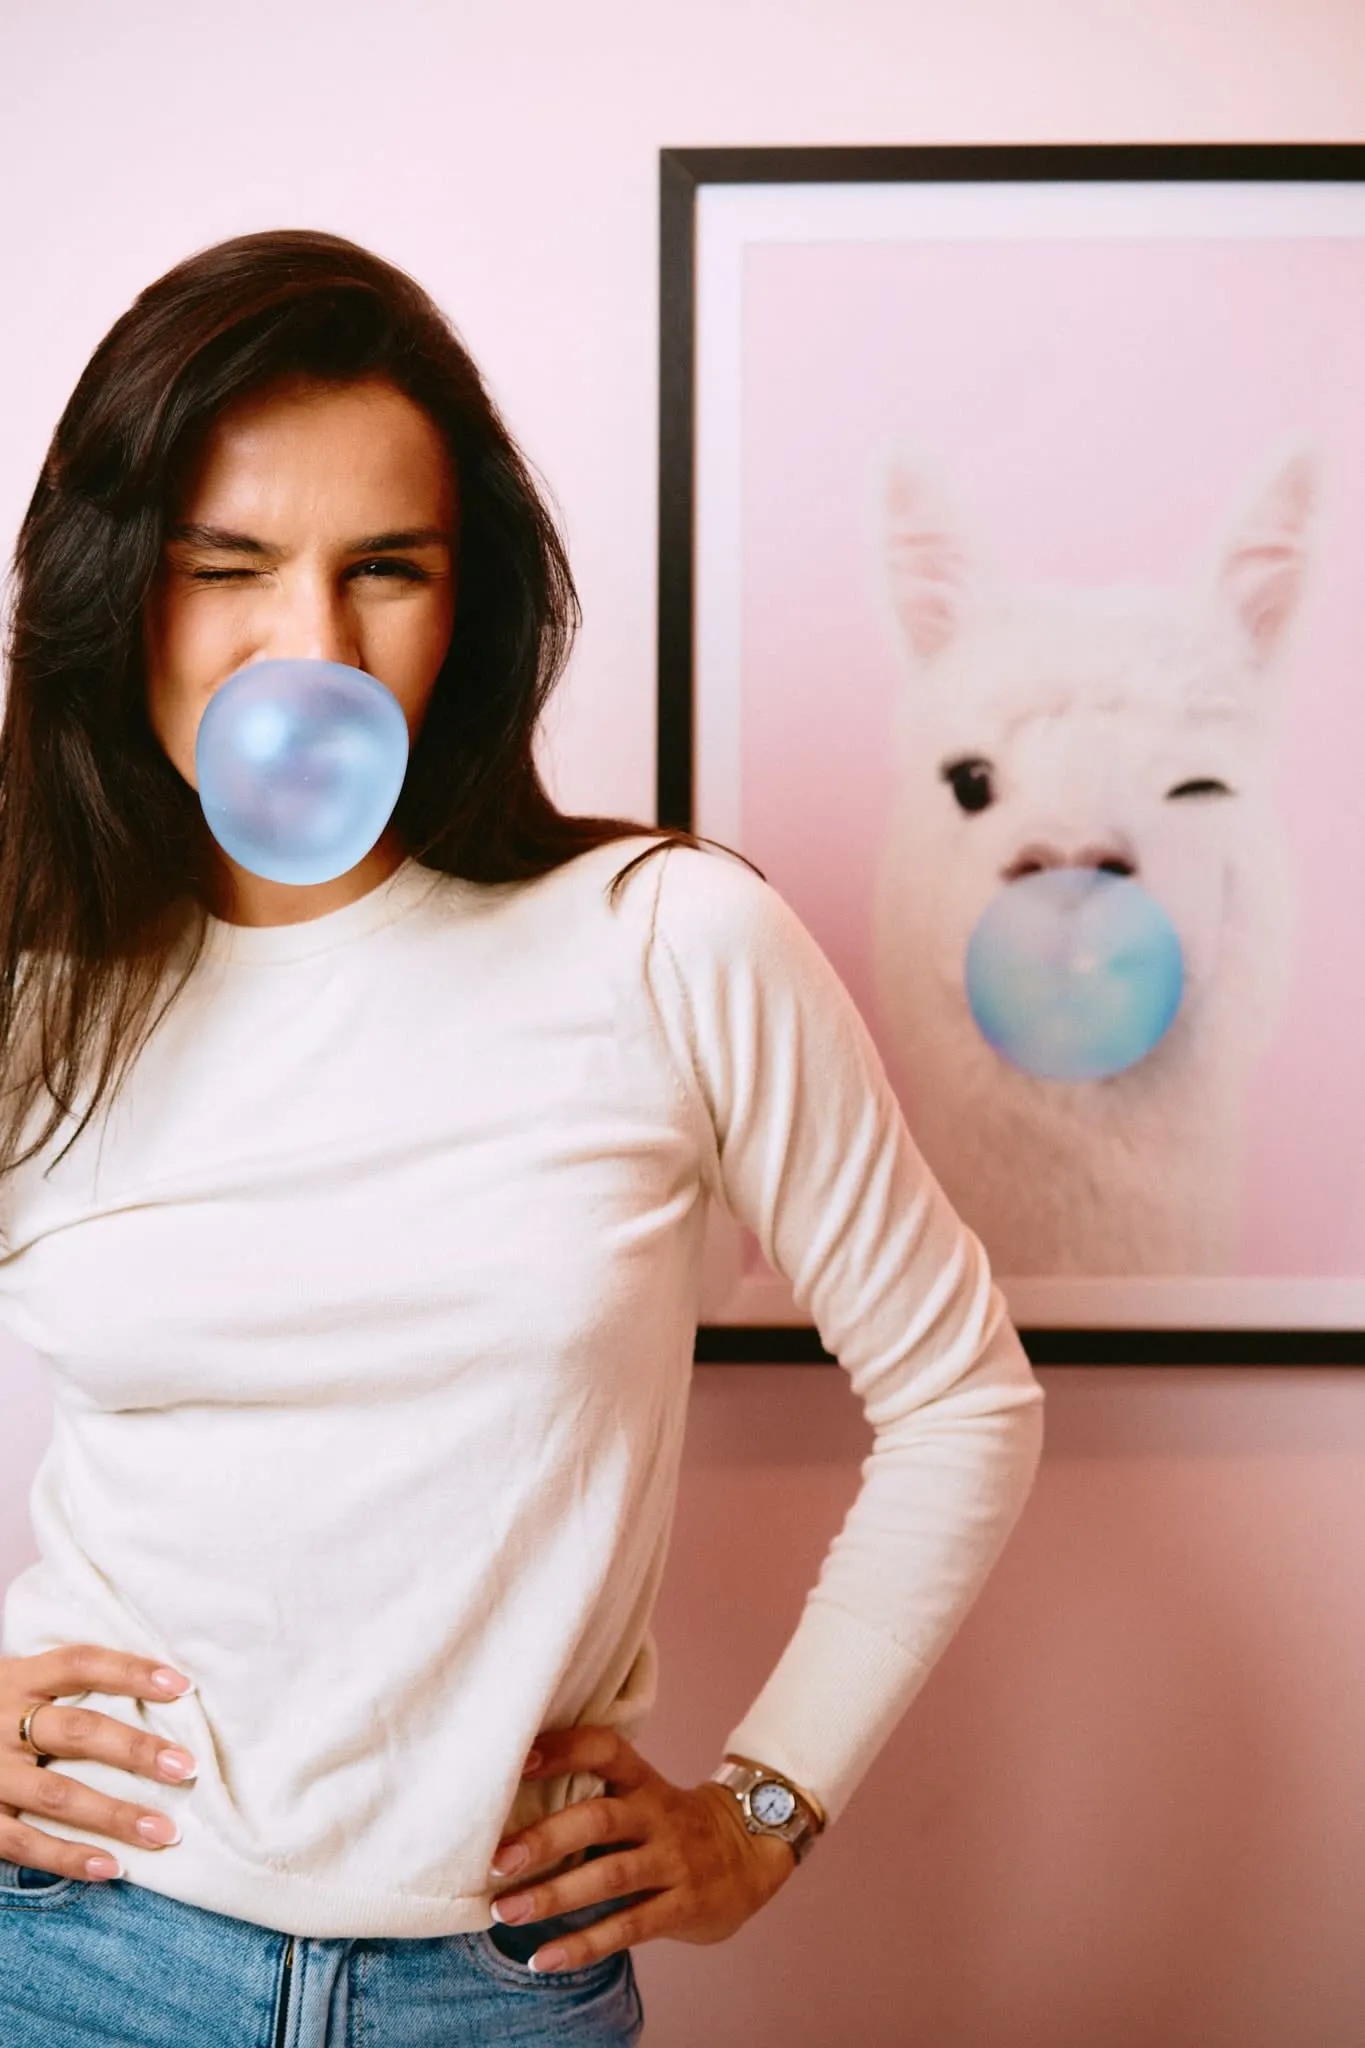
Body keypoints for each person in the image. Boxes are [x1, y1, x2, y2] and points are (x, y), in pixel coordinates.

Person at [0, 229, 1045, 2047]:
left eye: (384, 568)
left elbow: (964, 1397)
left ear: (464, 607)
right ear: (121, 595)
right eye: (225, 565)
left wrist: (766, 1811)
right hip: (76, 1953)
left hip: (494, 1991)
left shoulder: (666, 938)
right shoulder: (34, 991)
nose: (307, 646)